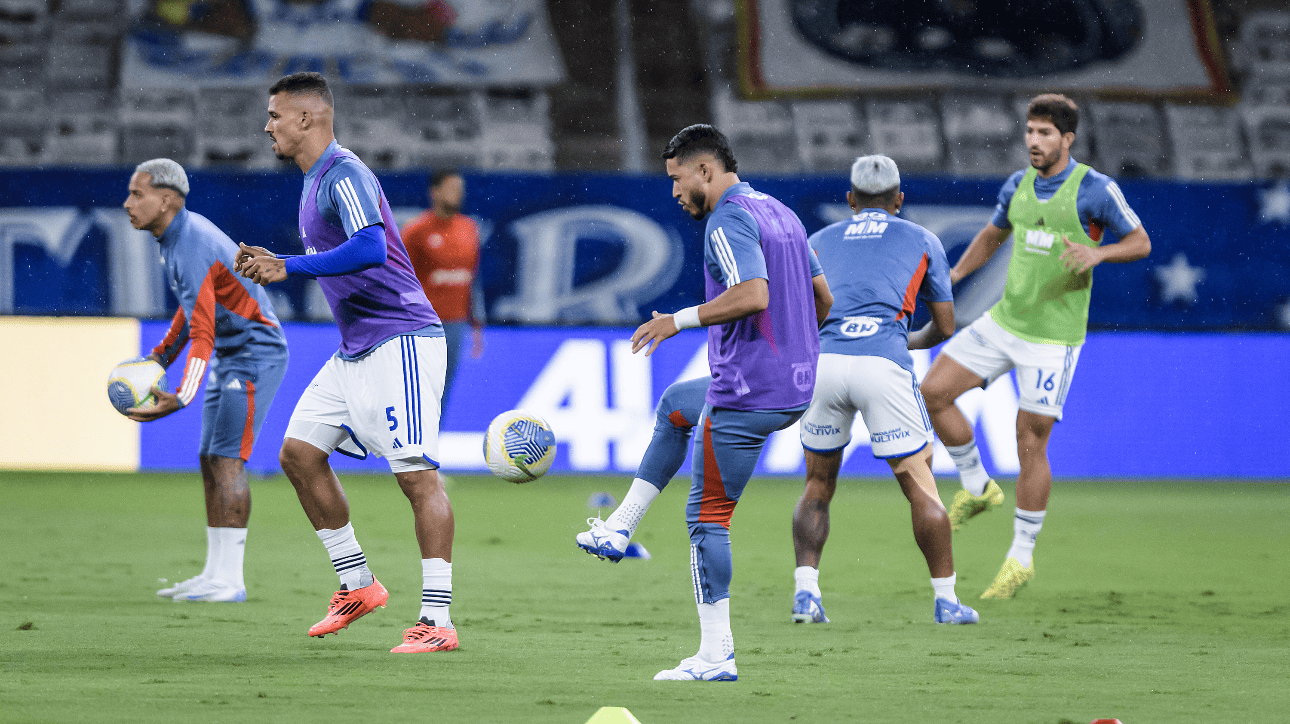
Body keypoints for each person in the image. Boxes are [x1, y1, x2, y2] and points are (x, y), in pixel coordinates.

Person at [234, 72, 458, 653]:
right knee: (299, 455)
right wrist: (279, 261)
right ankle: (357, 582)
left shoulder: (344, 173)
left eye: (276, 115)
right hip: (357, 346)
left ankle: (437, 620)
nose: (268, 126)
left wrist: (288, 265)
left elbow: (370, 246)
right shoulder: (313, 183)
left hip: (401, 338)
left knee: (416, 476)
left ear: (308, 118)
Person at [919, 94, 1151, 599]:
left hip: (1053, 338)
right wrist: (954, 275)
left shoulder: (1095, 190)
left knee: (1031, 441)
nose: (1033, 142)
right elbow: (992, 234)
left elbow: (1141, 242)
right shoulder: (1018, 185)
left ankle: (1020, 558)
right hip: (1004, 322)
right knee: (933, 391)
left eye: (1045, 133)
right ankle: (978, 486)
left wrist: (1099, 252)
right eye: (1029, 131)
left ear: (1067, 139)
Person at [629, 124, 831, 682]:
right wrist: (796, 352)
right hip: (792, 387)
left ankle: (716, 656)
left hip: (746, 390)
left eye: (676, 179)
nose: (673, 192)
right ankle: (621, 526)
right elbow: (823, 297)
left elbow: (753, 294)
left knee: (707, 518)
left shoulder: (728, 219)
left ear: (705, 171)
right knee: (676, 404)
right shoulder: (781, 212)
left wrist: (676, 321)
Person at [791, 154, 977, 627]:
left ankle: (805, 594)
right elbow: (946, 325)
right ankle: (947, 600)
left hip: (826, 364)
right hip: (883, 364)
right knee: (921, 487)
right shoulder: (922, 239)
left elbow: (800, 314)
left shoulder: (817, 240)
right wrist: (902, 340)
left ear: (850, 200)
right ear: (899, 199)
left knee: (817, 485)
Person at [122, 157, 289, 603]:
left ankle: (231, 580)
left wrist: (179, 397)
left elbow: (203, 330)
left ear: (168, 200)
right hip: (234, 354)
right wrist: (159, 358)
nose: (128, 203)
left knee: (229, 461)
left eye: (137, 194)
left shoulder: (191, 239)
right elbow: (193, 305)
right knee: (210, 459)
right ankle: (214, 573)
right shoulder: (174, 237)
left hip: (255, 353)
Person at [401, 169, 483, 413]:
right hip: (423, 323)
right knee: (419, 388)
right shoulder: (417, 231)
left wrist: (476, 324)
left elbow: (472, 280)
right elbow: (400, 278)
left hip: (456, 323)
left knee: (443, 389)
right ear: (434, 192)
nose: (458, 194)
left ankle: (431, 445)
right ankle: (409, 443)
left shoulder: (468, 228)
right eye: (451, 188)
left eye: (460, 189)